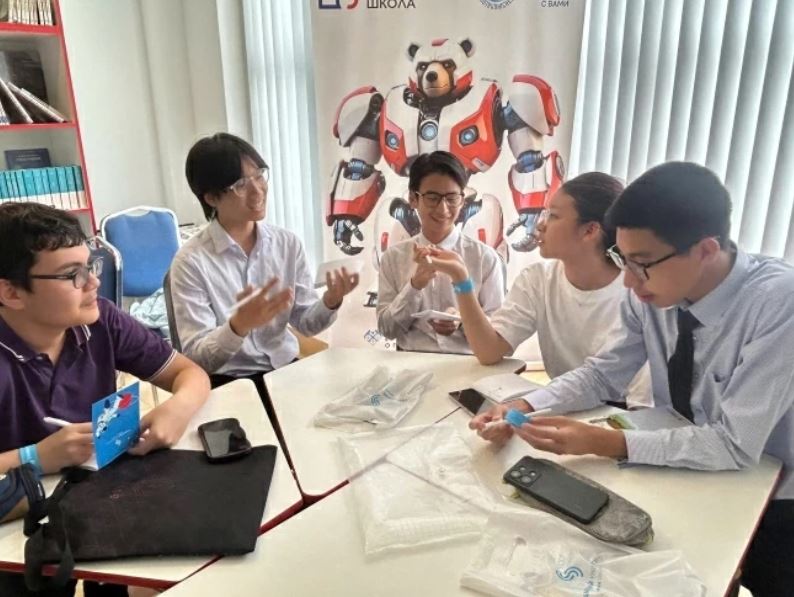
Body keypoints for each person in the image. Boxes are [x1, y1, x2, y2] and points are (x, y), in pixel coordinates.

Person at [471, 162, 794, 597]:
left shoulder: (777, 302)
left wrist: (606, 442)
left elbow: (734, 444)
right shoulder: (651, 293)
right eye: (621, 260)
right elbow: (603, 373)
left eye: (641, 264)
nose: (627, 281)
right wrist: (525, 406)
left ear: (706, 250)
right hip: (688, 471)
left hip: (774, 496)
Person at [0, 202, 211, 597]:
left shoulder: (101, 321)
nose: (94, 282)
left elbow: (191, 375)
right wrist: (36, 457)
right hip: (18, 531)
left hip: (98, 503)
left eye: (91, 266)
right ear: (11, 291)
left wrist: (176, 409)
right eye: (72, 275)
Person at [170, 133, 358, 413]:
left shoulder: (287, 244)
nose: (258, 190)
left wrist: (331, 301)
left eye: (259, 175)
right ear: (211, 197)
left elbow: (306, 324)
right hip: (230, 384)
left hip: (286, 372)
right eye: (240, 185)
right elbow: (197, 358)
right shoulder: (190, 262)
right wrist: (238, 326)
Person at [425, 171, 650, 405]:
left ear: (590, 230)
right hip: (562, 401)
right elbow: (489, 351)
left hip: (620, 411)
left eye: (553, 216)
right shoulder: (538, 280)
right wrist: (461, 280)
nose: (541, 224)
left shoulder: (638, 293)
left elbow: (638, 399)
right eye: (544, 213)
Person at [377, 151, 504, 353]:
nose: (443, 208)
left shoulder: (485, 258)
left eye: (451, 198)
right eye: (432, 198)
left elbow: (498, 330)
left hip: (468, 364)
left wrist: (463, 321)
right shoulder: (394, 257)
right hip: (410, 362)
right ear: (413, 198)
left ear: (462, 200)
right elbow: (386, 330)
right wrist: (414, 286)